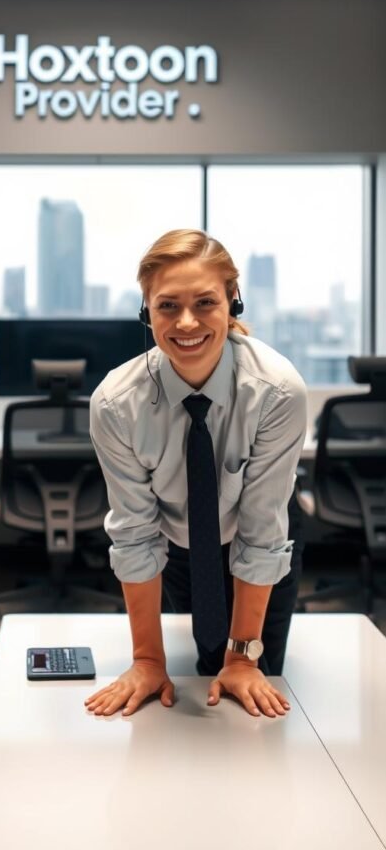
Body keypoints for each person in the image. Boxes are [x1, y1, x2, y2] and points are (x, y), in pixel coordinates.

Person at [86, 229, 307, 720]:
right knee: (188, 680)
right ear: (146, 311)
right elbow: (136, 534)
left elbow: (262, 532)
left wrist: (241, 659)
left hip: (261, 533)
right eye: (168, 306)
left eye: (205, 302)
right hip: (176, 540)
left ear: (233, 302)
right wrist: (147, 661)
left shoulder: (277, 392)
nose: (186, 322)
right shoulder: (117, 405)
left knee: (252, 689)